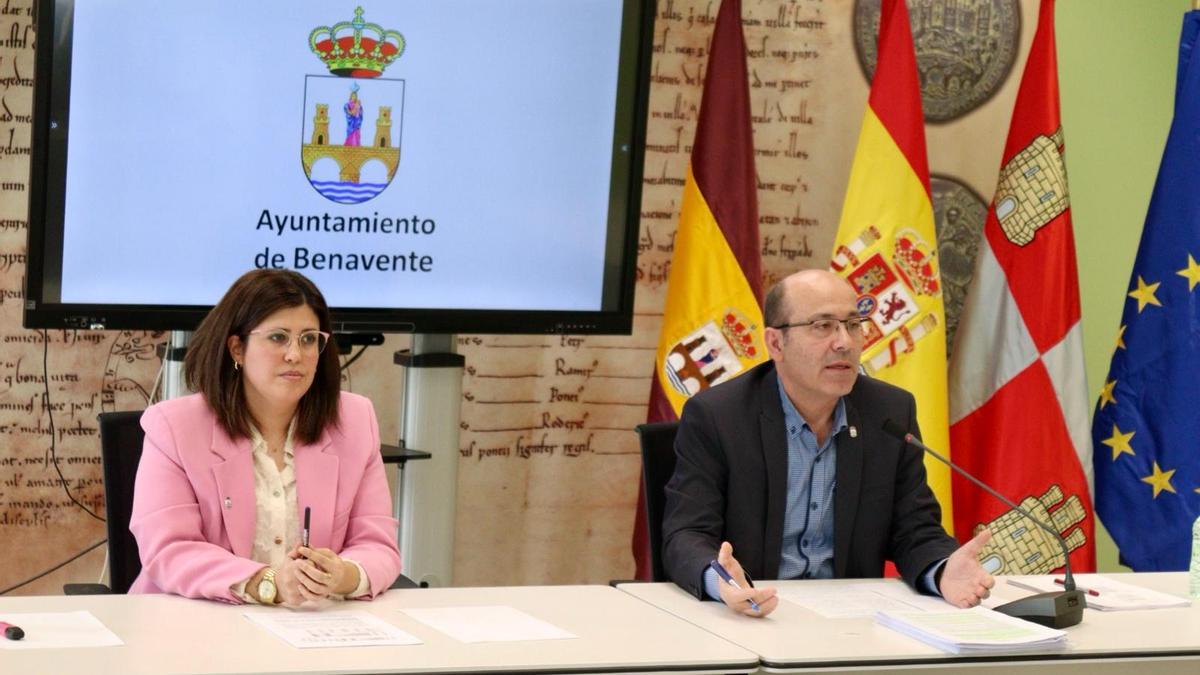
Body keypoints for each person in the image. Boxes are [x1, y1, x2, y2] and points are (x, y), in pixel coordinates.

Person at [661, 269, 994, 617]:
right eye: (823, 326)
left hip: (849, 623)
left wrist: (942, 570)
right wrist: (721, 582)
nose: (844, 342)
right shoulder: (719, 416)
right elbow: (686, 533)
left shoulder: (889, 413)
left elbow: (914, 528)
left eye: (853, 324)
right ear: (776, 343)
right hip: (753, 614)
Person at [129, 269, 401, 605]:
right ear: (237, 348)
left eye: (308, 339)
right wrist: (268, 583)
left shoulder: (355, 421)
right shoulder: (174, 426)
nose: (295, 355)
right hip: (195, 625)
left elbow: (378, 545)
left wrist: (342, 575)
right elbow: (168, 551)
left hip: (314, 628)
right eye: (278, 337)